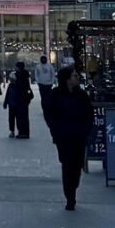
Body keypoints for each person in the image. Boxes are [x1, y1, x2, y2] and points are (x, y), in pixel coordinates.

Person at [43, 57, 94, 210]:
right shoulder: (56, 94)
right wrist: (55, 129)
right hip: (63, 136)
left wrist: (86, 130)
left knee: (77, 165)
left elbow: (89, 113)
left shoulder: (82, 95)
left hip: (79, 135)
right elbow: (49, 113)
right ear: (67, 79)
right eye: (75, 76)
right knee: (67, 164)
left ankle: (73, 186)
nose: (77, 77)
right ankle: (70, 196)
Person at [5, 61, 33, 140]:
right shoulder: (25, 75)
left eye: (16, 67)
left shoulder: (19, 76)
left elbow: (18, 87)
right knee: (24, 116)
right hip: (24, 99)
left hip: (20, 98)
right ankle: (25, 132)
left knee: (21, 117)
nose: (15, 68)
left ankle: (22, 132)